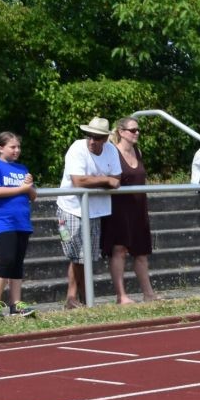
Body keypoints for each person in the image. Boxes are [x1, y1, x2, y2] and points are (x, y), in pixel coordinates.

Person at [58, 117, 122, 309]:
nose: (92, 141)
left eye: (97, 137)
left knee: (87, 255)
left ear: (105, 138)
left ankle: (82, 298)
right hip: (70, 208)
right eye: (89, 136)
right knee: (78, 254)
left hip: (95, 210)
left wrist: (102, 180)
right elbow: (78, 181)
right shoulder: (77, 148)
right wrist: (105, 179)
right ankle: (73, 297)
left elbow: (117, 179)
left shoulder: (111, 150)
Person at [101, 117, 157, 304]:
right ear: (121, 131)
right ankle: (121, 296)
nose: (137, 133)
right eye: (133, 130)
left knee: (141, 252)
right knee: (119, 250)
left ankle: (149, 294)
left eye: (138, 129)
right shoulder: (112, 152)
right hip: (119, 209)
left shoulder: (137, 151)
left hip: (139, 208)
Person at [0, 131, 37, 318]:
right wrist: (23, 188)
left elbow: (33, 196)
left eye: (18, 147)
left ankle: (16, 304)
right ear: (1, 148)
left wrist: (30, 185)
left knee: (17, 263)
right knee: (7, 259)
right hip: (3, 221)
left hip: (22, 222)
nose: (16, 150)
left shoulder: (22, 168)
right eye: (12, 147)